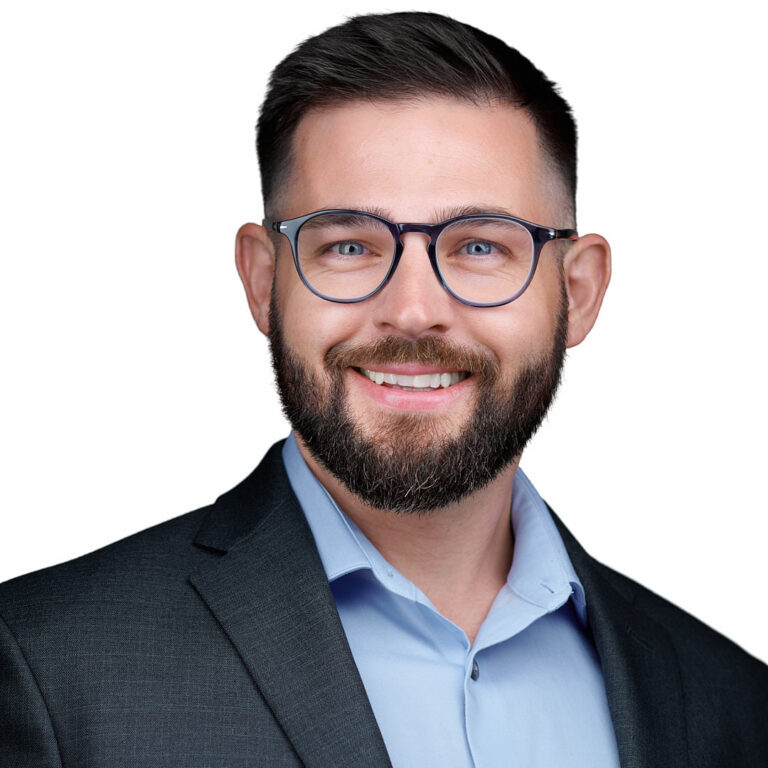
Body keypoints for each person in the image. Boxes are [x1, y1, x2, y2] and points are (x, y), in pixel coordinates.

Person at [1, 10, 766, 767]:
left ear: (580, 291)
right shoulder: (47, 665)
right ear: (264, 281)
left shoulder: (732, 703)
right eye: (348, 245)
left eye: (477, 246)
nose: (412, 311)